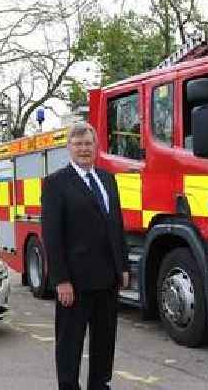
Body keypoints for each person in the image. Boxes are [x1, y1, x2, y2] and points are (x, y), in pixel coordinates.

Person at [42, 122, 130, 390]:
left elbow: (116, 224)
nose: (83, 149)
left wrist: (123, 266)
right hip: (75, 283)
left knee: (104, 342)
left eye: (88, 144)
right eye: (78, 144)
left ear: (96, 147)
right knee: (70, 344)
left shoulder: (107, 179)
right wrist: (61, 280)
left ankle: (100, 385)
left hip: (107, 279)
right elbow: (52, 235)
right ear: (69, 148)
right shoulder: (56, 183)